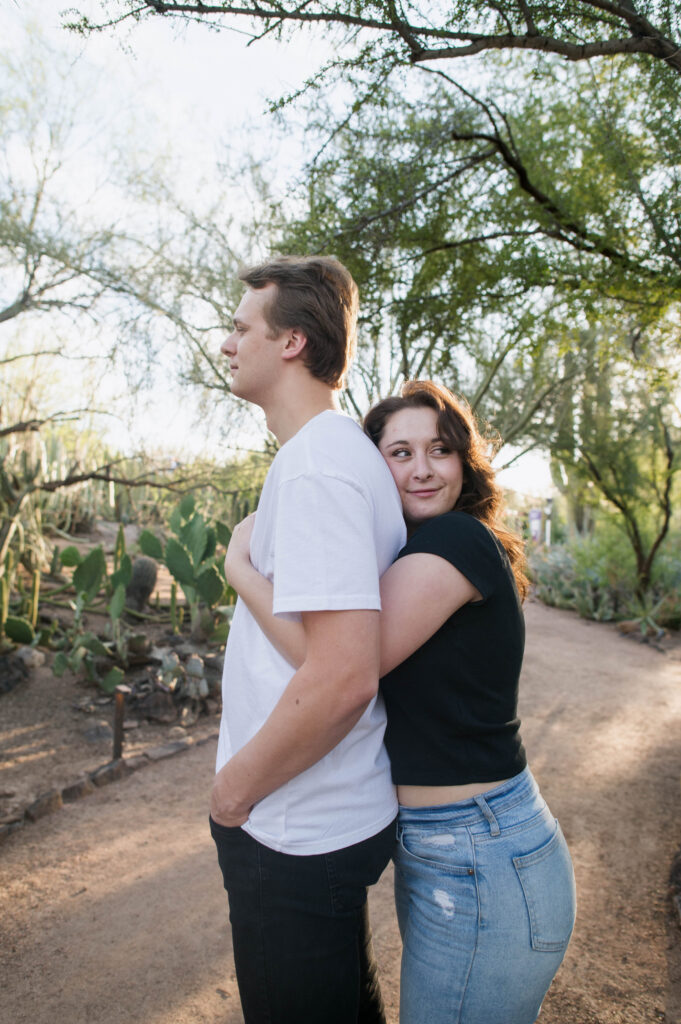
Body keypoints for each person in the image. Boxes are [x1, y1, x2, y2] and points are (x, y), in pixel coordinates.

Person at [225, 379, 577, 1024]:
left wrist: (241, 572)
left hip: (482, 846)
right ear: (373, 463)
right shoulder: (408, 551)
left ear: (463, 464)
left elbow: (330, 665)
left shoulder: (457, 544)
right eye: (399, 452)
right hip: (448, 846)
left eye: (439, 451)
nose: (421, 469)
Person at [210, 255, 406, 1024]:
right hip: (316, 812)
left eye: (240, 327)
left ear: (291, 342)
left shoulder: (319, 466)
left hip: (290, 824)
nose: (227, 344)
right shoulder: (325, 455)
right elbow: (320, 652)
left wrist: (234, 794)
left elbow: (342, 678)